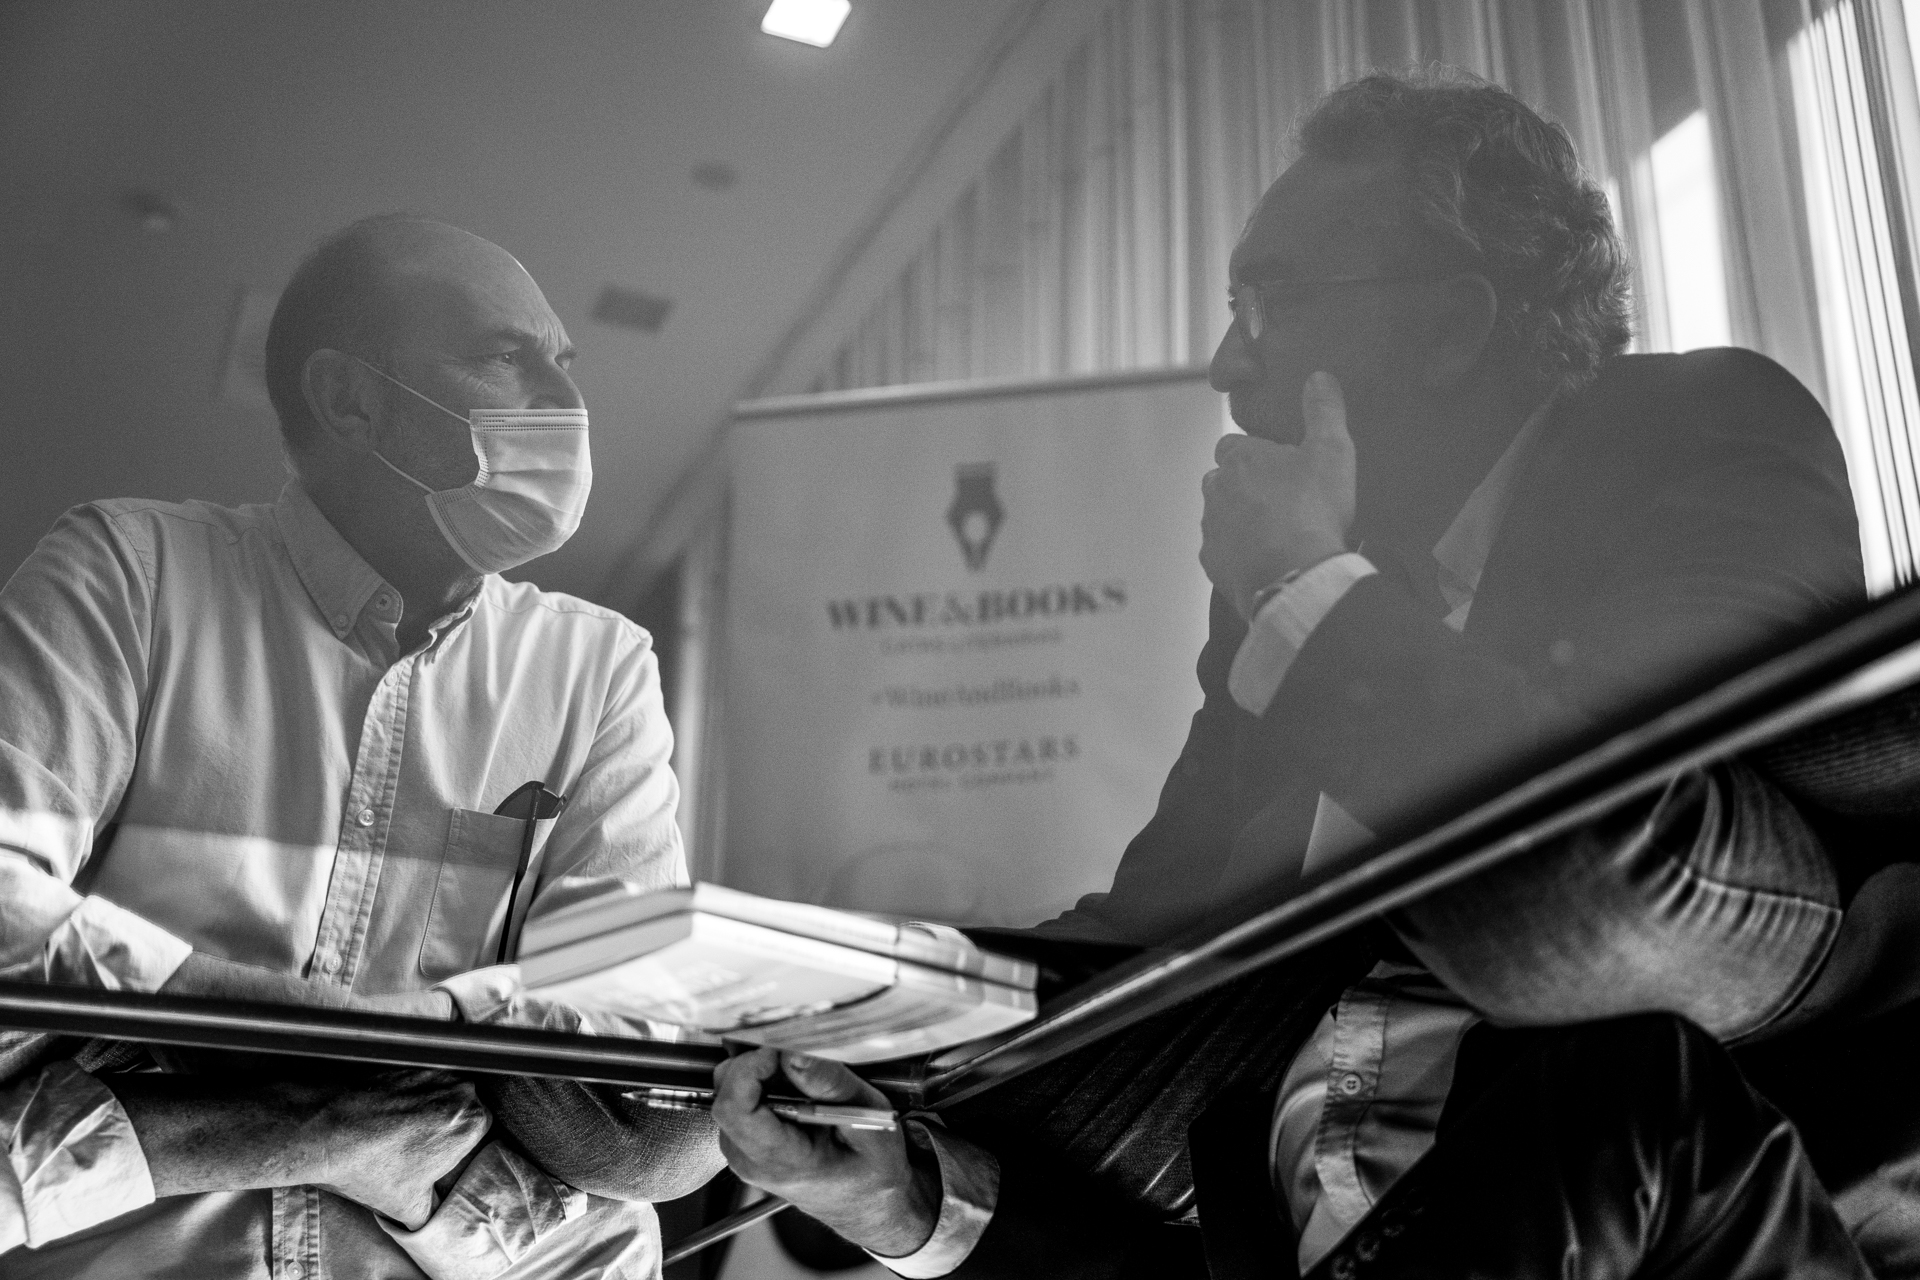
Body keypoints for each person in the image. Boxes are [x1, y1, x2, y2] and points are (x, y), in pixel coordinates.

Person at [710, 70, 1885, 1277]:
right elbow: (1141, 944)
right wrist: (868, 1088)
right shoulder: (1279, 610)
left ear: (1450, 327)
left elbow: (1613, 882)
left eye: (1266, 303)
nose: (1228, 361)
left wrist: (1303, 591)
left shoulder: (1693, 433)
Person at [0, 215, 720, 1278]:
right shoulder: (130, 575)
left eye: (566, 364)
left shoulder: (597, 667)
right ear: (350, 399)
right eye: (507, 356)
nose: (566, 404)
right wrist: (431, 1059)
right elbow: (7, 916)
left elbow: (640, 1103)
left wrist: (207, 1064)